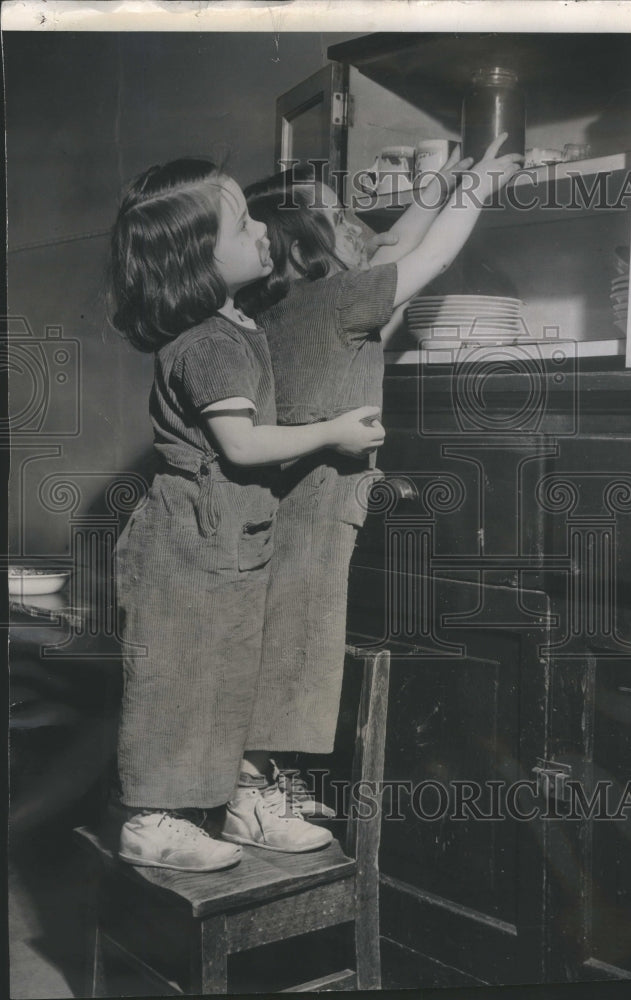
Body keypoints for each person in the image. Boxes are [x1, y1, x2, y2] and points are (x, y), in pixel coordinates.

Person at [109, 158, 385, 872]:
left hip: (224, 534)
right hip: (187, 538)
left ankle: (240, 797)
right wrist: (332, 432)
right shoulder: (207, 342)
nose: (264, 228)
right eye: (243, 223)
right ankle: (153, 818)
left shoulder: (233, 323)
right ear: (197, 260)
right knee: (179, 676)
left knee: (231, 669)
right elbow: (241, 442)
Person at [234, 135, 522, 809]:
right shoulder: (339, 302)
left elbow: (387, 250)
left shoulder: (282, 305)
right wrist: (476, 184)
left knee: (277, 633)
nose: (355, 227)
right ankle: (253, 784)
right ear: (306, 251)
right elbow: (424, 256)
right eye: (337, 220)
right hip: (315, 502)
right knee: (298, 638)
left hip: (279, 497)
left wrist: (435, 184)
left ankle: (259, 771)